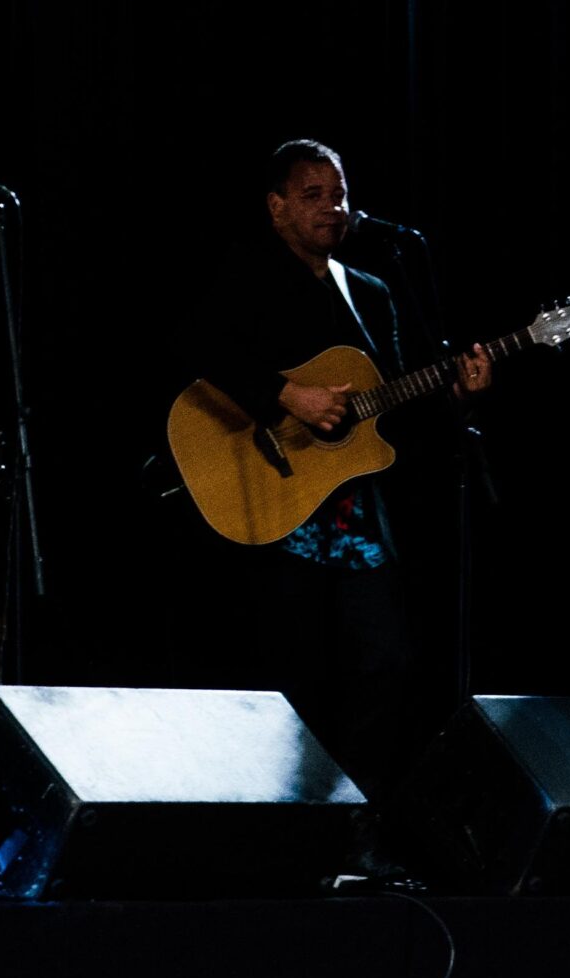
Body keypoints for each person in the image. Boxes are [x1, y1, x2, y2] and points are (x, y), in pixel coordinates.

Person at [186, 139, 491, 801]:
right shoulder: (248, 275)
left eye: (340, 194)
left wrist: (457, 393)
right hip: (278, 508)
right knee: (297, 675)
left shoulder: (374, 293)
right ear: (276, 208)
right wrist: (286, 395)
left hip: (358, 520)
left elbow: (395, 412)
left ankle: (356, 823)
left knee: (388, 664)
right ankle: (289, 824)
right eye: (313, 195)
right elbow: (204, 348)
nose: (333, 207)